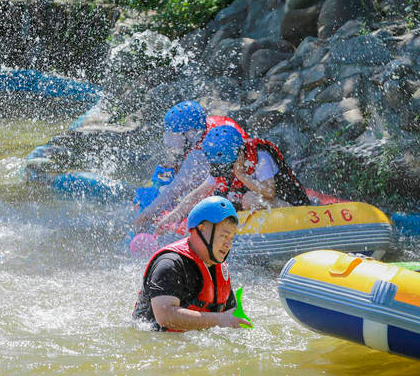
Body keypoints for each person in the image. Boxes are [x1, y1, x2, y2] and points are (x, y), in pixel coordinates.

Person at [154, 125, 309, 232]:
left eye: (225, 166)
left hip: (291, 207)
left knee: (248, 198)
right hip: (263, 207)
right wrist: (170, 218)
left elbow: (269, 192)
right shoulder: (224, 162)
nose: (222, 171)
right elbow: (198, 194)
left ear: (237, 156)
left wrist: (241, 175)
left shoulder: (261, 157)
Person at [132, 196, 249, 331]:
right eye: (223, 236)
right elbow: (164, 316)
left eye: (231, 238)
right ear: (201, 229)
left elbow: (230, 316)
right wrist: (219, 320)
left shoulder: (219, 269)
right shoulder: (170, 263)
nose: (228, 244)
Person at [132, 101, 245, 230]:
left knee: (174, 192)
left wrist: (146, 214)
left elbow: (175, 190)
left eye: (175, 135)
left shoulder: (200, 153)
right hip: (232, 175)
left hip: (235, 189)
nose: (170, 139)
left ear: (191, 133)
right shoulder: (210, 126)